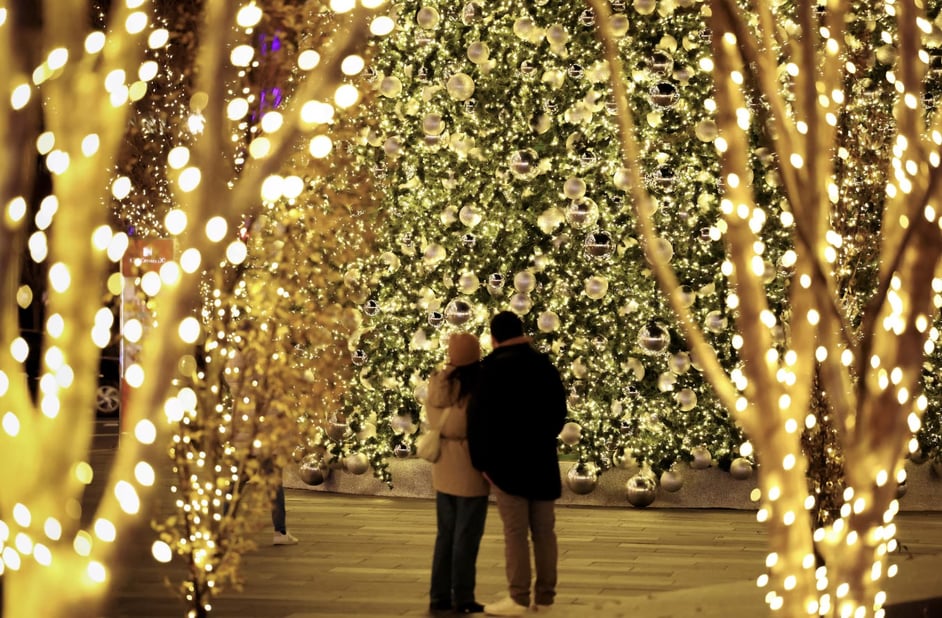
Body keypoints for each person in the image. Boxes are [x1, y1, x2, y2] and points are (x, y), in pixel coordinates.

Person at [467, 312, 567, 617]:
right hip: (541, 460)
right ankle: (545, 599)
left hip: (506, 465)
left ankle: (519, 598)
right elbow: (558, 413)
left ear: (494, 338)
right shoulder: (543, 365)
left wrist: (482, 464)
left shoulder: (490, 370)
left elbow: (477, 421)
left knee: (515, 533)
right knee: (544, 532)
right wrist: (542, 437)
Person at [425, 332, 490, 615]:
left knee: (445, 535)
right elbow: (479, 427)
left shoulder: (438, 383)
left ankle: (439, 595)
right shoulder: (477, 387)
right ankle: (463, 596)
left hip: (443, 467)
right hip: (470, 467)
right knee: (467, 536)